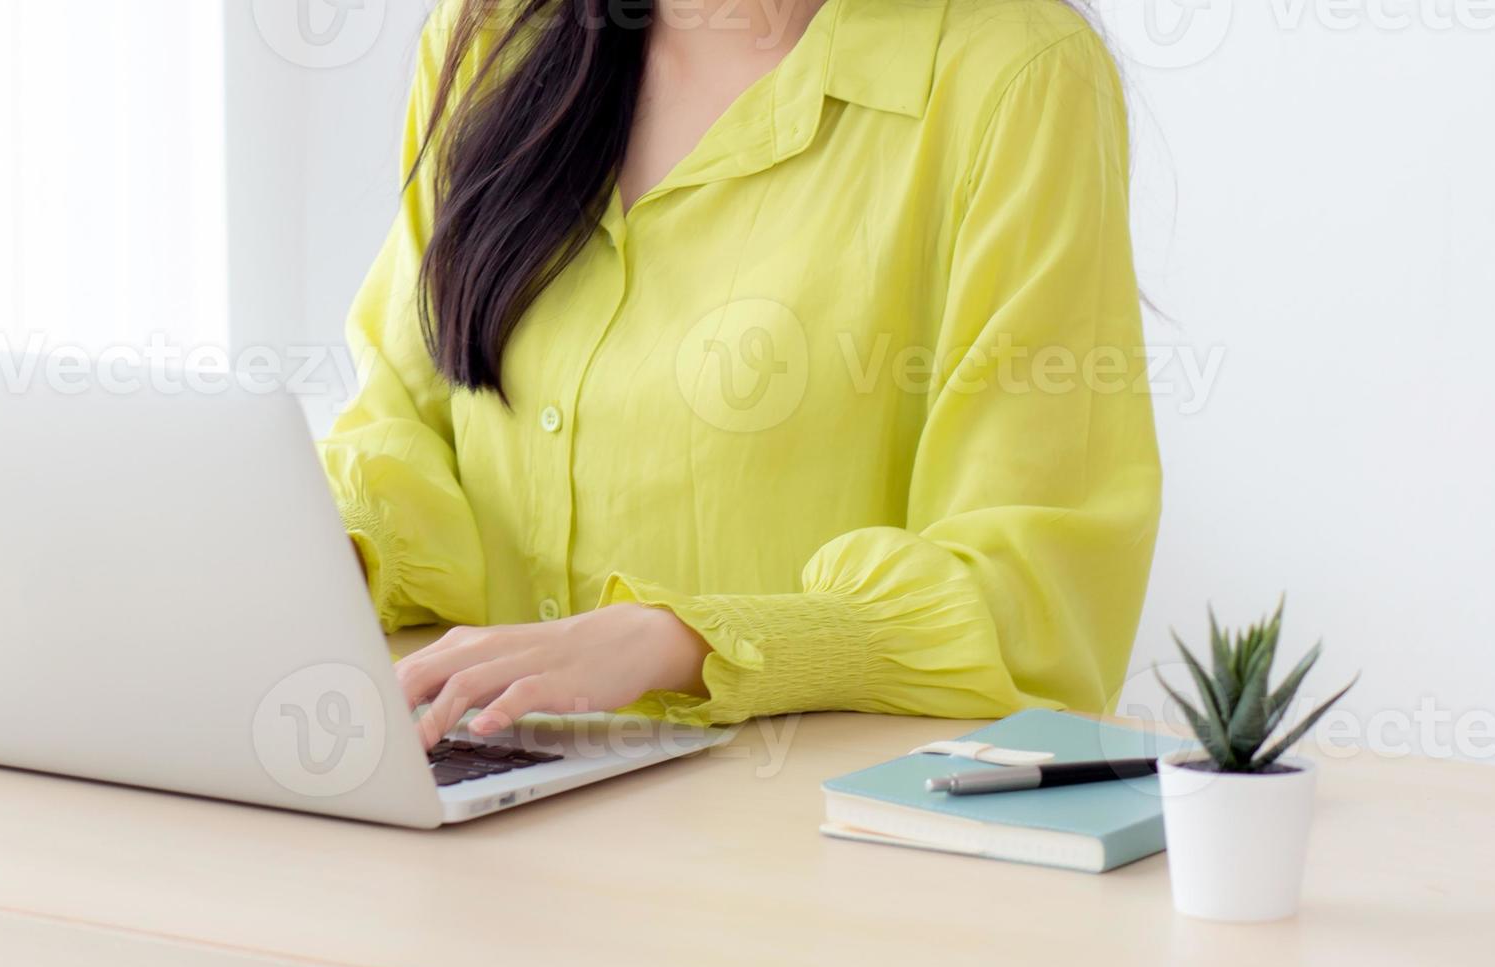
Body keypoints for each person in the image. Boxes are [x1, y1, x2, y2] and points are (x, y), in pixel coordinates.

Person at [319, 0, 1163, 747]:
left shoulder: (1016, 76)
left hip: (811, 854)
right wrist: (323, 552)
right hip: (478, 803)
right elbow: (404, 420)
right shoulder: (494, 36)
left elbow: (1036, 594)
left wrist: (682, 643)